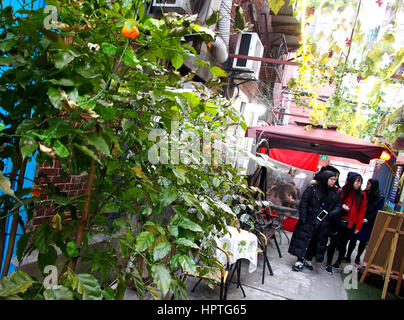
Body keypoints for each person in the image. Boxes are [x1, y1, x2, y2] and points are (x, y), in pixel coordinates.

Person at [288, 170, 341, 271]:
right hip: (308, 219)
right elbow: (304, 202)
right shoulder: (313, 188)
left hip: (323, 222)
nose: (334, 181)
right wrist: (303, 217)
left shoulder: (334, 192)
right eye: (332, 179)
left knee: (315, 242)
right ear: (326, 179)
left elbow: (338, 205)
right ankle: (299, 260)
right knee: (304, 240)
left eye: (335, 179)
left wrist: (330, 215)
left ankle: (308, 258)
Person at [326, 172, 367, 273]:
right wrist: (342, 206)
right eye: (357, 181)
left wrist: (358, 227)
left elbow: (361, 212)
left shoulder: (362, 195)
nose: (358, 184)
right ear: (352, 181)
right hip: (338, 221)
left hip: (350, 224)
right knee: (333, 242)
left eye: (360, 182)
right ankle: (329, 263)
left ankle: (338, 261)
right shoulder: (342, 191)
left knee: (344, 244)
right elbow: (335, 204)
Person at [344, 179, 383, 264]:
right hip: (358, 219)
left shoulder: (380, 197)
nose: (367, 185)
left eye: (369, 184)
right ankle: (348, 255)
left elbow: (378, 210)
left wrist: (367, 218)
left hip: (368, 221)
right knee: (353, 237)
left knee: (363, 240)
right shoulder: (363, 193)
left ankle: (358, 257)